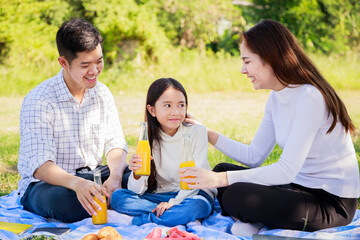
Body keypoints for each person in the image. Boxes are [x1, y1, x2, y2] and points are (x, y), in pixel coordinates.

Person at [181, 19, 360, 235]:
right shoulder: (277, 98)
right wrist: (206, 133)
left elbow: (285, 170)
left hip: (331, 203)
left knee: (233, 191)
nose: (242, 70)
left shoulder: (310, 98)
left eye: (247, 61)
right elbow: (254, 155)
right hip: (297, 188)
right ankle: (261, 218)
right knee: (222, 171)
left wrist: (220, 180)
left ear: (270, 59)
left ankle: (258, 217)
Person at [17, 18, 129, 222]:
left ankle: (112, 196)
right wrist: (77, 184)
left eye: (99, 61)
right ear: (63, 62)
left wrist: (114, 178)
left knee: (142, 174)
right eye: (85, 65)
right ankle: (119, 202)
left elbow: (115, 143)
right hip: (49, 185)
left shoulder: (102, 93)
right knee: (64, 202)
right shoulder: (40, 100)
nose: (94, 71)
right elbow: (40, 165)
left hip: (93, 177)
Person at [110, 78, 216, 226]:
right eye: (167, 105)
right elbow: (136, 191)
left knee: (194, 207)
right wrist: (137, 173)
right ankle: (169, 215)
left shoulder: (197, 132)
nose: (176, 112)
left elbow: (195, 181)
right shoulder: (147, 139)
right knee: (118, 197)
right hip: (160, 196)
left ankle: (142, 220)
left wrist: (175, 202)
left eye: (181, 105)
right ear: (152, 110)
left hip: (194, 194)